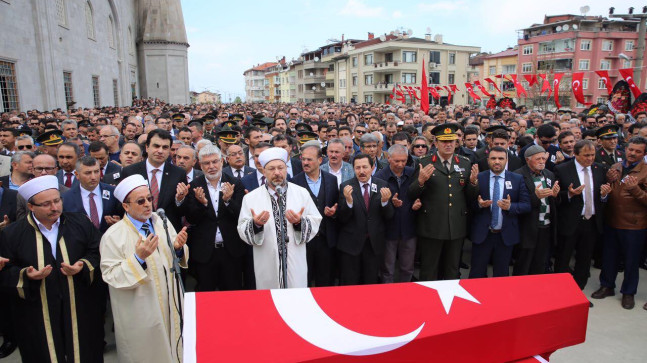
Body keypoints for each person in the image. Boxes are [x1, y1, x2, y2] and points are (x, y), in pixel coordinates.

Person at [0, 176, 102, 362]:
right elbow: (5, 270)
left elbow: (97, 251)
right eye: (46, 204)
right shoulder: (12, 234)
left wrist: (82, 265)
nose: (54, 208)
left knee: (84, 350)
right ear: (31, 206)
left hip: (78, 303)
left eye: (57, 201)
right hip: (37, 309)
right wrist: (26, 275)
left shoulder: (80, 222)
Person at [100, 174, 189, 363]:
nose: (148, 204)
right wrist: (138, 258)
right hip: (140, 309)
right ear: (126, 206)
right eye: (141, 201)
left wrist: (179, 249)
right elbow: (111, 275)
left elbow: (174, 258)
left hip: (171, 301)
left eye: (149, 199)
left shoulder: (161, 221)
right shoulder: (114, 235)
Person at [237, 147, 322, 289]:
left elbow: (315, 221)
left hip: (295, 261)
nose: (277, 173)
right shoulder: (250, 198)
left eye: (280, 168)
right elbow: (242, 228)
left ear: (286, 169)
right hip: (266, 262)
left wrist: (299, 223)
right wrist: (256, 225)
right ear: (263, 171)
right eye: (271, 169)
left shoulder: (301, 193)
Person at [409, 123, 478, 281]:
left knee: (452, 269)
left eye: (451, 141)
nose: (448, 145)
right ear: (436, 143)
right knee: (429, 269)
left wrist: (474, 183)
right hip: (431, 226)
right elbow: (411, 194)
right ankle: (429, 303)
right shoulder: (425, 162)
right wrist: (420, 181)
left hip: (456, 225)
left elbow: (470, 197)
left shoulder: (465, 163)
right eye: (444, 141)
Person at [591, 137, 647, 310]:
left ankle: (628, 292)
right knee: (609, 256)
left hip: (634, 225)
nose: (633, 153)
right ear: (625, 149)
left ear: (644, 154)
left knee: (631, 261)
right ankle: (607, 285)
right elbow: (607, 192)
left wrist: (635, 189)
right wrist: (606, 189)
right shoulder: (615, 167)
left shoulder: (645, 171)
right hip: (612, 221)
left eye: (638, 151)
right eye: (631, 149)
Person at [182, 145, 248, 291]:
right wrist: (203, 204)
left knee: (233, 294)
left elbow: (241, 215)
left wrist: (228, 201)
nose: (211, 166)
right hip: (205, 252)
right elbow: (191, 218)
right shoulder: (194, 186)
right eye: (206, 163)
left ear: (222, 162)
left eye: (214, 162)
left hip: (231, 251)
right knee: (206, 295)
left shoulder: (235, 183)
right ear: (200, 165)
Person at [554, 140, 611, 294]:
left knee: (584, 259)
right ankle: (560, 292)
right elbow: (555, 196)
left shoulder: (600, 169)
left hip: (591, 222)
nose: (590, 158)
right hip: (570, 221)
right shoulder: (562, 169)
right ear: (576, 154)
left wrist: (605, 195)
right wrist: (570, 194)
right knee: (563, 258)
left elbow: (602, 196)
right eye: (586, 155)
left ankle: (578, 292)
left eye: (592, 155)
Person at [470, 147, 531, 278]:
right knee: (477, 274)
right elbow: (468, 204)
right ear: (488, 160)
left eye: (501, 158)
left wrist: (510, 207)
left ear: (506, 160)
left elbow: (526, 205)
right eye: (493, 158)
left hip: (505, 235)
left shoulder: (517, 179)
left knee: (502, 275)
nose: (497, 161)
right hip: (483, 234)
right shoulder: (479, 178)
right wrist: (479, 205)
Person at [337, 153, 394, 285]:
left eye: (365, 167)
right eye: (357, 168)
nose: (361, 171)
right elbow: (342, 218)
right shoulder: (346, 187)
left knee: (370, 282)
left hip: (373, 244)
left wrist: (385, 202)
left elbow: (389, 216)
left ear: (372, 167)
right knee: (350, 283)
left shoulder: (382, 185)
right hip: (351, 245)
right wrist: (349, 202)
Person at [292, 141, 339, 287]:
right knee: (303, 280)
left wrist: (333, 212)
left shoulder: (331, 179)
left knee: (325, 281)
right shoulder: (294, 182)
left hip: (326, 239)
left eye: (309, 159)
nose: (305, 162)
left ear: (319, 160)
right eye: (303, 159)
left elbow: (336, 204)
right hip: (304, 242)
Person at [120, 129, 187, 230]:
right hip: (137, 231)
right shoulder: (130, 172)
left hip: (168, 232)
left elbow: (183, 211)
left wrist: (179, 200)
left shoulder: (178, 173)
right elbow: (123, 205)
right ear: (147, 147)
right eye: (156, 146)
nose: (160, 151)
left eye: (165, 147)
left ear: (169, 151)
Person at [375, 144, 420, 283]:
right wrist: (388, 203)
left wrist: (418, 202)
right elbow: (374, 205)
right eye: (397, 161)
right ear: (388, 158)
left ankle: (406, 296)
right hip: (389, 230)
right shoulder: (379, 177)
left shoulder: (413, 173)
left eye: (404, 161)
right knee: (387, 270)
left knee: (407, 268)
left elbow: (419, 193)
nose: (401, 164)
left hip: (409, 228)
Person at [513, 145, 560, 276]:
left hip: (546, 226)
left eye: (543, 159)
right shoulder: (518, 175)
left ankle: (535, 291)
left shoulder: (549, 174)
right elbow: (516, 203)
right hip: (527, 227)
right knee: (524, 262)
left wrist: (555, 196)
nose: (541, 162)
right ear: (528, 160)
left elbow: (553, 202)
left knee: (540, 262)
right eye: (538, 159)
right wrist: (536, 197)